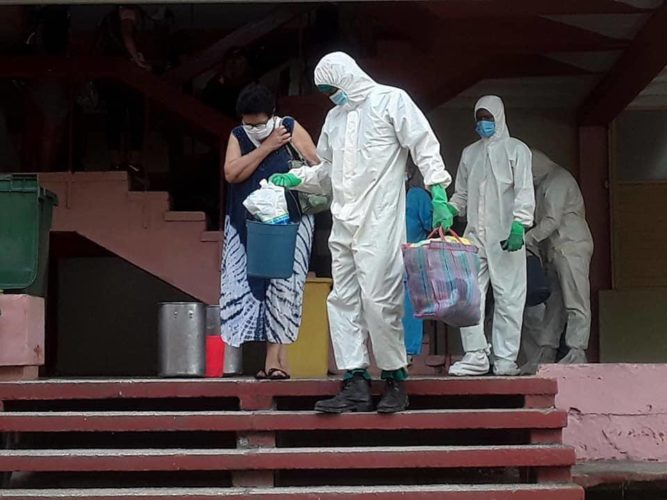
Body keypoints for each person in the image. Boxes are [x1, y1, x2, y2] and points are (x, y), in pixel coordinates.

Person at [271, 52, 452, 413]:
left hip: (380, 220)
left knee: (380, 301)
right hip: (344, 223)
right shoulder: (334, 119)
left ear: (347, 77)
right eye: (326, 92)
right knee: (343, 301)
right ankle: (354, 380)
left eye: (332, 88)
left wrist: (438, 190)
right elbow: (327, 171)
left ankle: (395, 378)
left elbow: (423, 144)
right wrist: (297, 178)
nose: (331, 96)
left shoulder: (391, 101)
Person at [219, 83, 316, 380]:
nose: (254, 129)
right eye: (248, 124)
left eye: (259, 124)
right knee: (250, 285)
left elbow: (318, 165)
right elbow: (232, 173)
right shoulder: (238, 135)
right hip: (246, 222)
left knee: (284, 285)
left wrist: (292, 177)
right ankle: (274, 361)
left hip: (290, 221)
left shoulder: (289, 127)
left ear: (271, 114)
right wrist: (266, 146)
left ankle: (275, 360)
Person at [447, 96, 534, 377]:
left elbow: (524, 191)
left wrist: (520, 224)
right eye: (479, 118)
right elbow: (461, 194)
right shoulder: (469, 154)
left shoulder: (517, 150)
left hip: (506, 238)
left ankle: (505, 359)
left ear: (499, 116)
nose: (483, 123)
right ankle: (475, 355)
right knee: (468, 296)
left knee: (509, 297)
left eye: (488, 117)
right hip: (474, 237)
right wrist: (449, 209)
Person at [520, 150, 593, 374]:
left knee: (576, 299)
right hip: (555, 250)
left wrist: (525, 239)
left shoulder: (558, 179)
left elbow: (551, 220)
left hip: (571, 246)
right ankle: (546, 351)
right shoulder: (543, 184)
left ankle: (577, 349)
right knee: (554, 305)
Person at [97, 6, 150, 187]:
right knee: (135, 116)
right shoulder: (128, 12)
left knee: (114, 118)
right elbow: (126, 34)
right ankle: (133, 163)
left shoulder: (109, 19)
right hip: (125, 75)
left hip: (110, 76)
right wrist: (137, 60)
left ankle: (117, 163)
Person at [404, 173, 433, 359]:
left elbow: (434, 224)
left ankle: (406, 350)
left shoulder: (416, 196)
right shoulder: (417, 196)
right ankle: (404, 351)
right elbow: (433, 223)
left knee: (408, 301)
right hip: (395, 256)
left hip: (412, 259)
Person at [202, 47, 254, 120]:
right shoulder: (217, 81)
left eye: (240, 63)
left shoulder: (251, 89)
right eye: (231, 61)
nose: (235, 64)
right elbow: (205, 100)